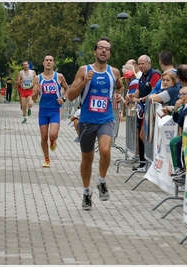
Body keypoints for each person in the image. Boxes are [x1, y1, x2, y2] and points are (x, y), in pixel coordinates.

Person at [67, 37, 124, 210]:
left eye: (107, 48)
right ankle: (86, 192)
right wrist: (85, 82)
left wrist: (118, 95)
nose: (104, 51)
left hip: (106, 118)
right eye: (101, 48)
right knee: (87, 159)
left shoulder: (114, 72)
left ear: (110, 53)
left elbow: (120, 87)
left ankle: (102, 181)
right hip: (86, 121)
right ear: (95, 51)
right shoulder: (84, 70)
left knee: (106, 150)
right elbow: (70, 96)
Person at [32, 54, 70, 168]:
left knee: (52, 134)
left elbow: (67, 89)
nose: (48, 62)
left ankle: (53, 141)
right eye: (46, 60)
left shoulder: (59, 77)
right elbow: (33, 99)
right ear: (43, 63)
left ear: (53, 63)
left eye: (51, 60)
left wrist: (63, 99)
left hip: (55, 110)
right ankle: (47, 159)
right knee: (44, 137)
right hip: (43, 110)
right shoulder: (38, 78)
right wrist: (36, 91)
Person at [125, 55, 161, 171]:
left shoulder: (154, 75)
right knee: (140, 134)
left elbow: (155, 93)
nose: (140, 66)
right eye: (139, 64)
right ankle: (143, 162)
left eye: (143, 64)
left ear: (149, 64)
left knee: (143, 134)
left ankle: (147, 162)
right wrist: (131, 96)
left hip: (150, 110)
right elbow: (137, 92)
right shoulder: (142, 77)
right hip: (142, 110)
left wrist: (140, 99)